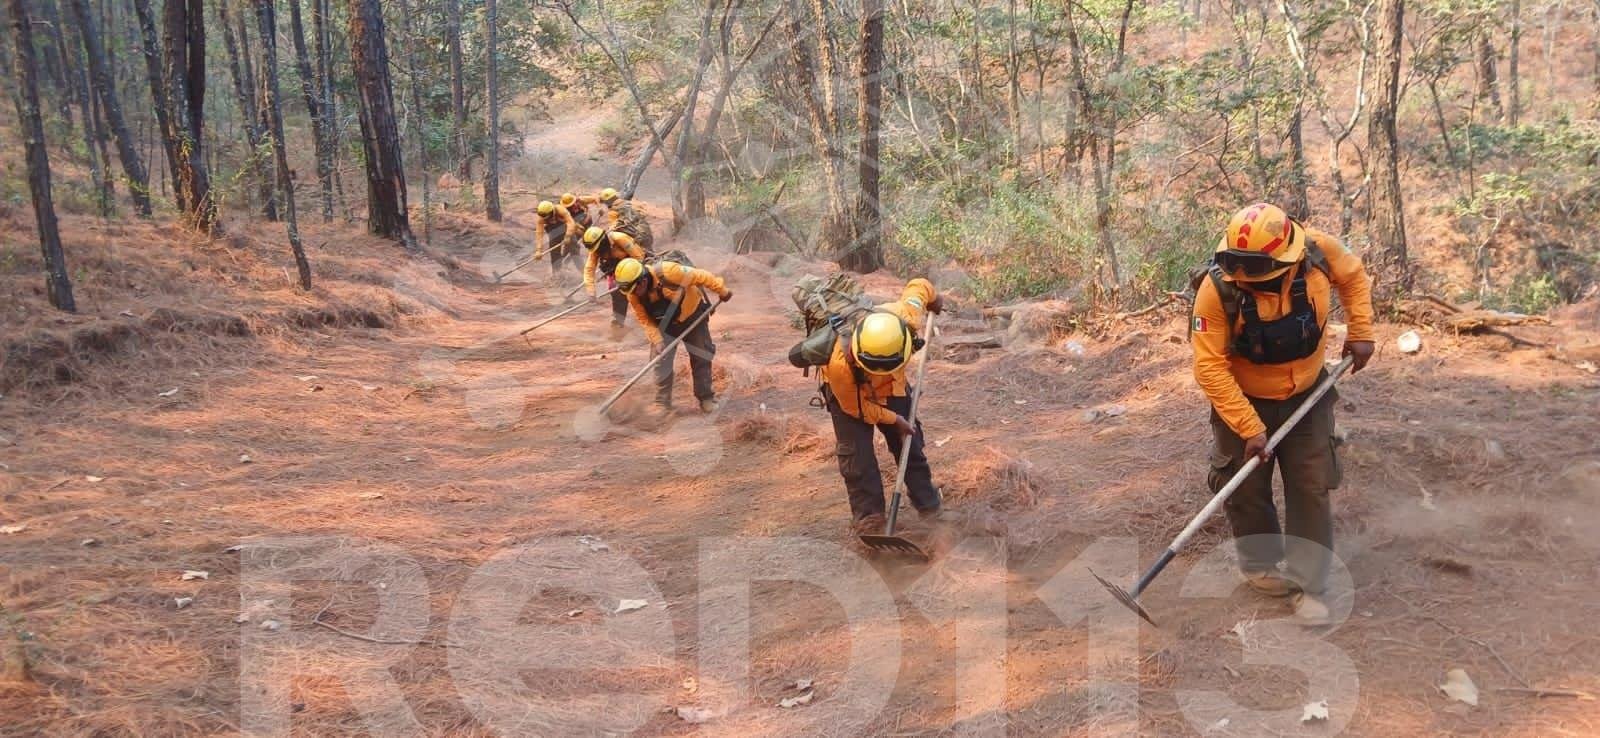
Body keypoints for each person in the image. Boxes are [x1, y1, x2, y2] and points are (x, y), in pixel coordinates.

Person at [1191, 202, 1375, 625]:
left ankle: (1309, 585)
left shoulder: (1319, 253)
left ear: (1288, 260)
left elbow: (1354, 276)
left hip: (1308, 394)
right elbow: (1209, 366)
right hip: (1241, 399)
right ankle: (1260, 566)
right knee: (1245, 486)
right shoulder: (1216, 289)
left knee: (1310, 483)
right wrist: (1248, 426)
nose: (1252, 285)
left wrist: (1362, 331)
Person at [820, 279, 945, 539]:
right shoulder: (839, 365)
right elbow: (858, 409)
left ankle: (929, 506)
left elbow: (919, 286)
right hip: (852, 399)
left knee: (909, 442)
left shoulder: (907, 317)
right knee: (858, 458)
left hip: (893, 388)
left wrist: (935, 300)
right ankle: (871, 523)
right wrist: (893, 418)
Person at [612, 257, 731, 414]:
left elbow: (701, 276)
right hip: (664, 325)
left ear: (642, 281)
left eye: (635, 289)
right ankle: (662, 402)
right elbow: (644, 319)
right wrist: (657, 340)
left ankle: (706, 399)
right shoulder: (632, 294)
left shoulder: (668, 272)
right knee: (660, 362)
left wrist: (721, 290)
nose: (633, 294)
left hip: (692, 315)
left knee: (701, 355)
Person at [582, 226, 650, 337]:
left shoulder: (620, 238)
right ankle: (619, 324)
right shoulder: (595, 250)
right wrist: (591, 292)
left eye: (599, 249)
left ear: (603, 241)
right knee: (616, 292)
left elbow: (640, 257)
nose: (598, 252)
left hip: (636, 268)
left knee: (642, 293)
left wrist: (630, 277)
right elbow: (589, 270)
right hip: (618, 272)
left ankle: (653, 321)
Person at [532, 200, 584, 278]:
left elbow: (571, 222)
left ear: (552, 211)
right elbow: (539, 233)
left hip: (566, 230)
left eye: (548, 216)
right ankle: (557, 275)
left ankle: (584, 273)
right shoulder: (541, 218)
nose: (547, 218)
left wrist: (568, 235)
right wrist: (539, 250)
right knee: (554, 254)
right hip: (554, 234)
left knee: (574, 251)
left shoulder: (560, 210)